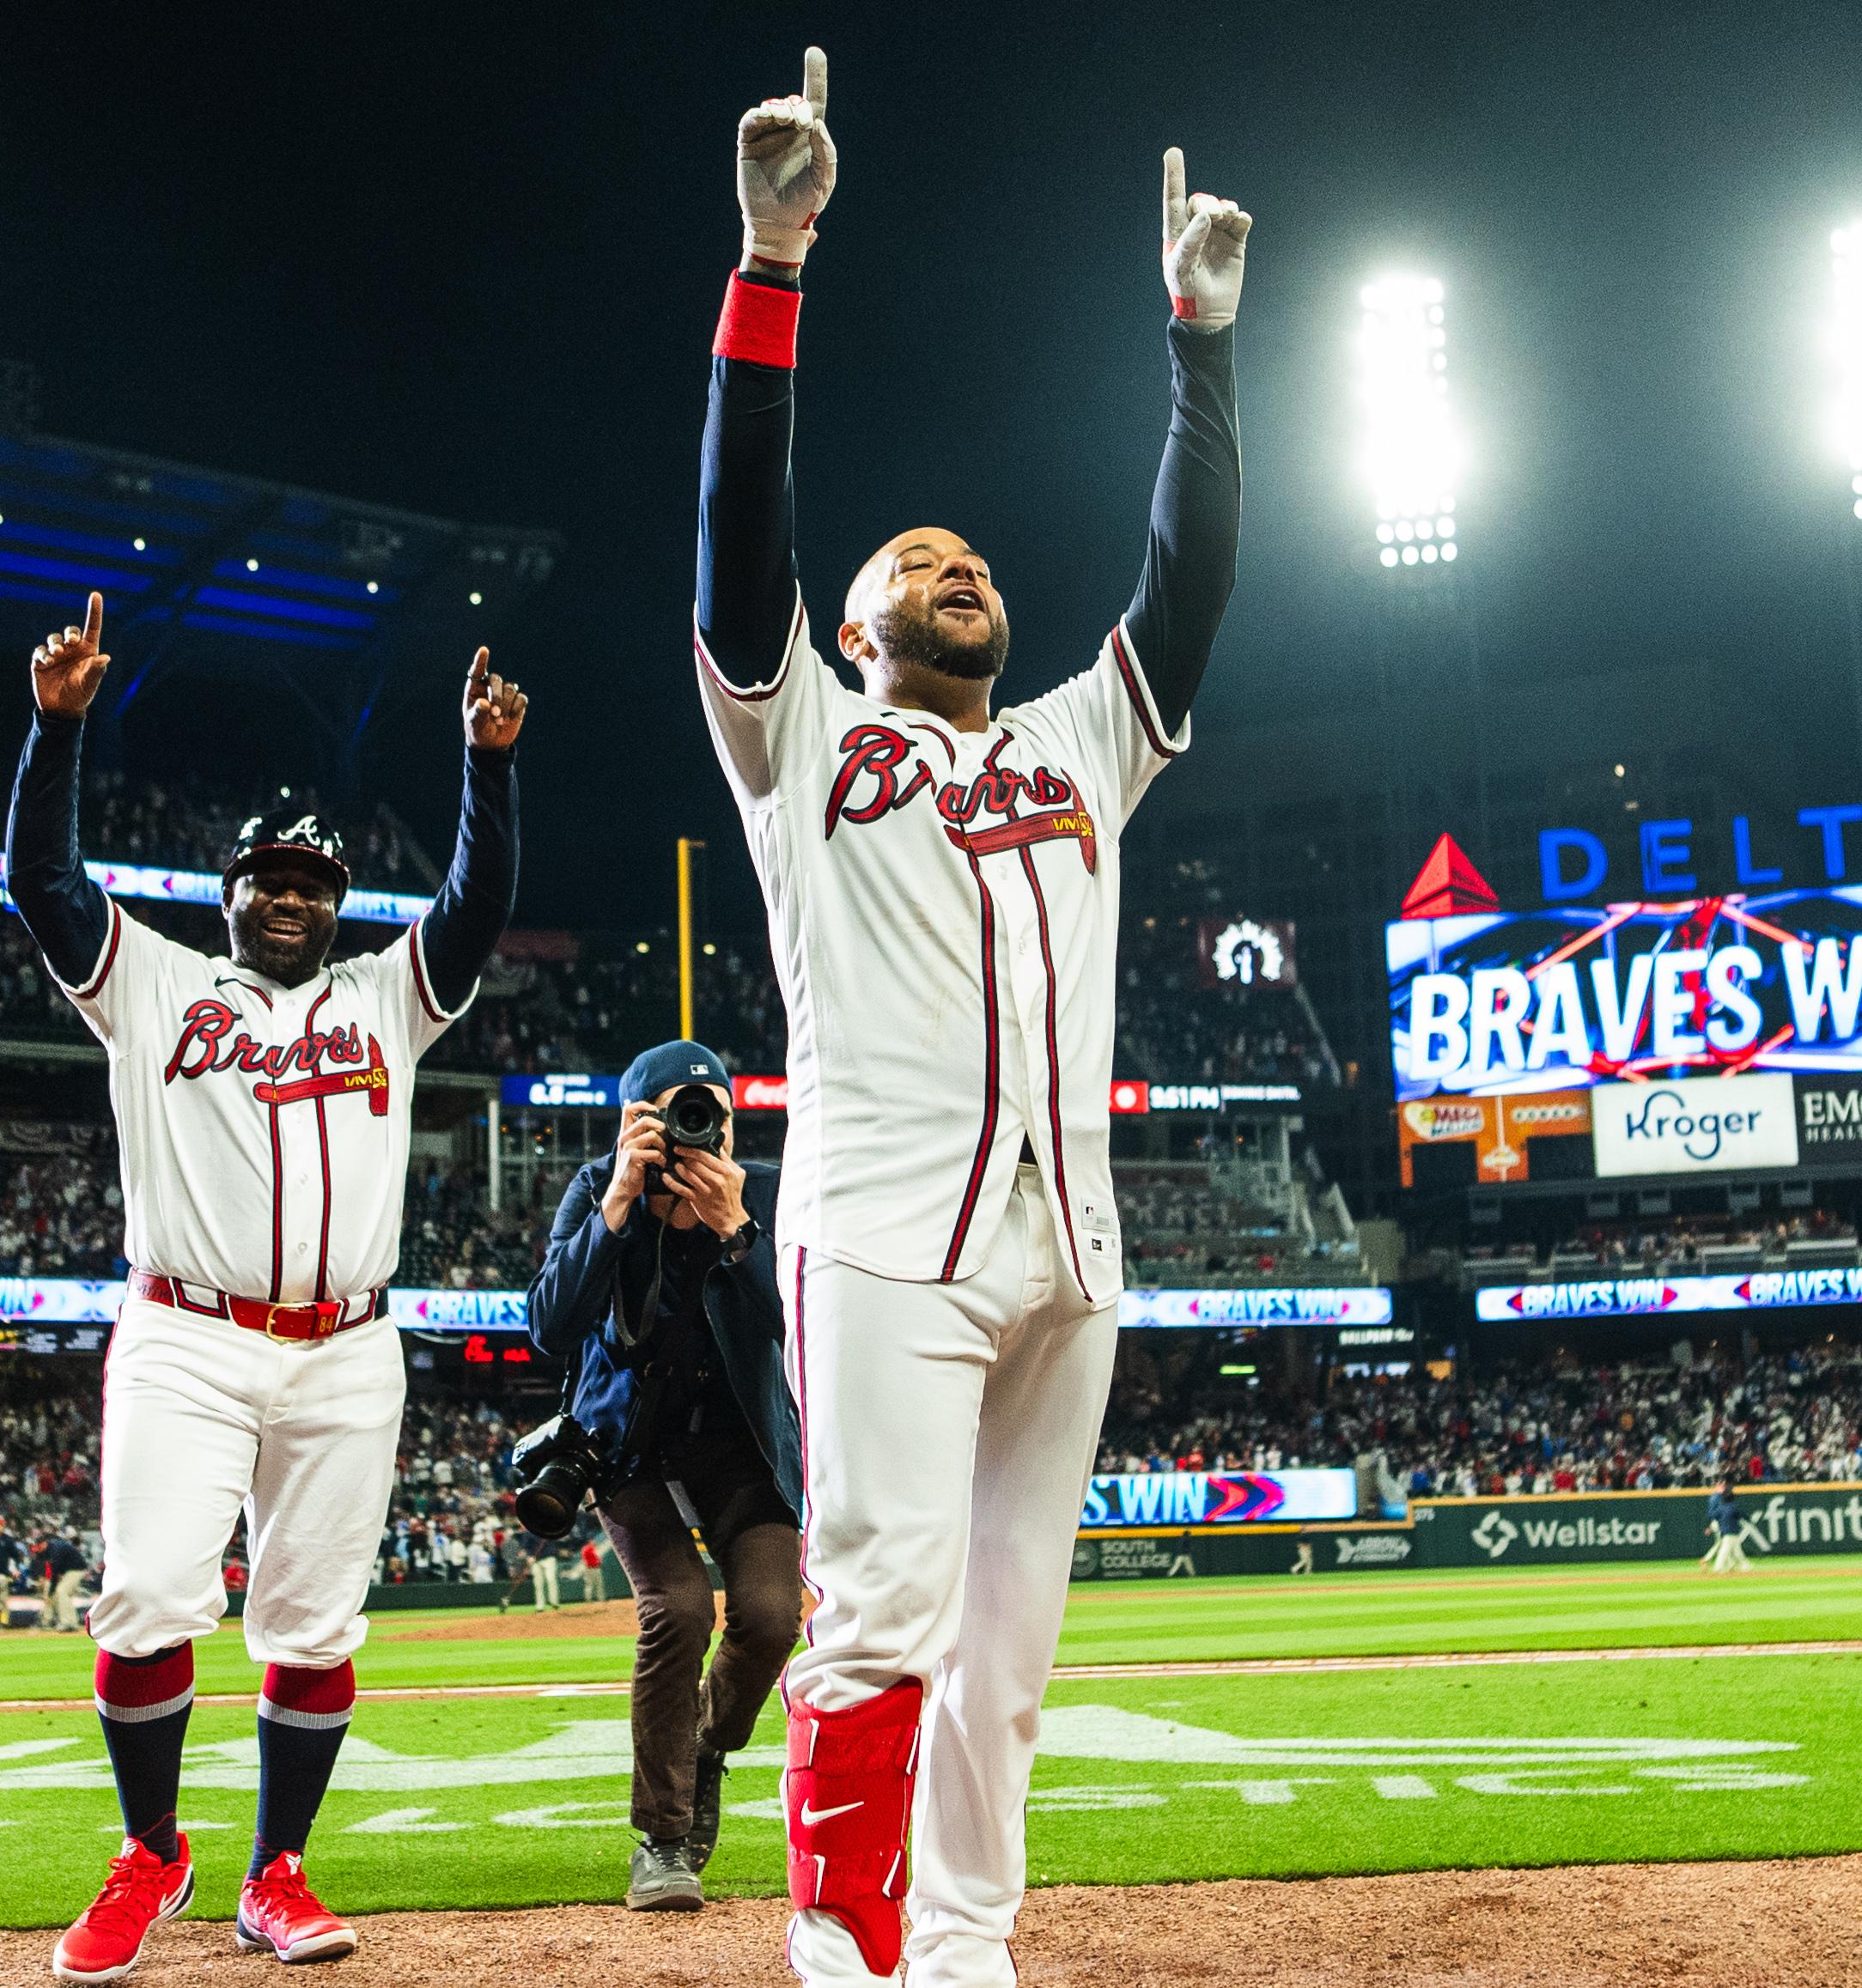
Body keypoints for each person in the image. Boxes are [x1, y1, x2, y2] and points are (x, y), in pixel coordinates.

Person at [691, 49, 1249, 1985]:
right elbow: (739, 542)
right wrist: (775, 256)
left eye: (977, 560)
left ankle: (964, 1939)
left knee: (1009, 1642)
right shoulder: (804, 738)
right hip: (885, 1225)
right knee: (884, 1610)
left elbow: (1182, 592)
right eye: (917, 564)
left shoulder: (1073, 741)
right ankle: (839, 1943)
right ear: (853, 630)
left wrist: (1198, 345)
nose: (960, 570)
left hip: (1062, 1238)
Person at [7, 591, 527, 1979]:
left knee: (311, 1623)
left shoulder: (387, 998)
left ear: (336, 906)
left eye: (312, 883)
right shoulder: (155, 986)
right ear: (230, 895)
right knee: (151, 1594)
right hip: (184, 1332)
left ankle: (277, 1875)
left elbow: (478, 907)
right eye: (268, 879)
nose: (289, 897)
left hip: (349, 1349)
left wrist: (489, 768)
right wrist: (55, 732)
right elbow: (43, 889)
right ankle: (151, 1851)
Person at [526, 1040, 805, 1912]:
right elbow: (549, 1325)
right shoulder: (597, 1187)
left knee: (766, 1614)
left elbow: (803, 1322)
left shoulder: (764, 1187)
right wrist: (615, 1201)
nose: (697, 1130)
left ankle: (706, 1745)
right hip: (631, 1442)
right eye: (676, 1112)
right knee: (676, 1606)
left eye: (710, 1112)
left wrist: (739, 1230)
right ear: (636, 1119)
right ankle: (662, 1836)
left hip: (741, 1440)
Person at [1704, 1482, 1753, 1573]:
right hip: (1733, 1531)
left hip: (1725, 1531)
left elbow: (1712, 1515)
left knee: (1735, 1550)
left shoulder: (1721, 1508)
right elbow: (1744, 1516)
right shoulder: (1734, 1507)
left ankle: (1744, 1565)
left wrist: (1709, 1525)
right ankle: (1719, 1567)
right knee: (1728, 1550)